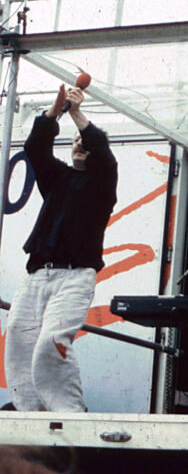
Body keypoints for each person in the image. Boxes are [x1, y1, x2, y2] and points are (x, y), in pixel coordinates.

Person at [5, 83, 118, 412]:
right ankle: (30, 418)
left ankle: (70, 416)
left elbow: (104, 153)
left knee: (49, 346)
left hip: (74, 277)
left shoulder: (103, 181)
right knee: (18, 344)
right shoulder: (58, 177)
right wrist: (55, 111)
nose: (80, 146)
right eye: (75, 142)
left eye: (85, 143)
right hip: (38, 275)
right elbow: (36, 148)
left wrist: (77, 113)